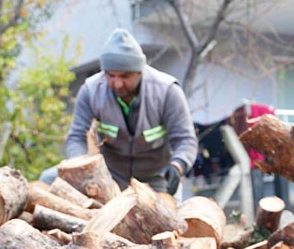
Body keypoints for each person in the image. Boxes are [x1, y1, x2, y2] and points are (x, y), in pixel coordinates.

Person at [64, 29, 197, 194]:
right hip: (110, 177)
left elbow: (185, 140)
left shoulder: (167, 92)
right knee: (48, 178)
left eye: (125, 76)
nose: (117, 84)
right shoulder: (90, 92)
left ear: (140, 71)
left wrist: (177, 165)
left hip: (156, 178)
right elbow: (77, 137)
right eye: (110, 76)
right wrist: (80, 167)